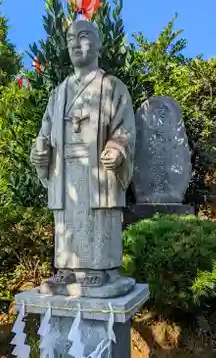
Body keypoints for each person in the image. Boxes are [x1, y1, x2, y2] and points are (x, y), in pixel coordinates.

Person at [30, 19, 136, 296]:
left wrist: (117, 149)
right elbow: (44, 132)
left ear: (99, 43)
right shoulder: (58, 93)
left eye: (85, 36)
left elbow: (125, 128)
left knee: (96, 217)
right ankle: (66, 270)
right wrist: (41, 152)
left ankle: (98, 270)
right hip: (65, 171)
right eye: (71, 39)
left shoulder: (112, 87)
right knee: (68, 218)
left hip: (97, 169)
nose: (77, 44)